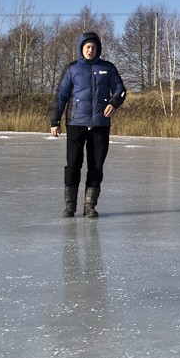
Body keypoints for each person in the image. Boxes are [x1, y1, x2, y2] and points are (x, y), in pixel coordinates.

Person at [50, 31, 126, 218]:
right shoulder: (72, 69)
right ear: (81, 49)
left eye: (93, 47)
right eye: (87, 47)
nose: (90, 50)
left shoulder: (107, 68)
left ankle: (89, 206)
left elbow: (120, 90)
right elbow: (61, 96)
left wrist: (114, 104)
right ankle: (70, 206)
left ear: (98, 49)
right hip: (76, 124)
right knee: (73, 165)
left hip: (100, 125)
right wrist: (55, 120)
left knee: (96, 166)